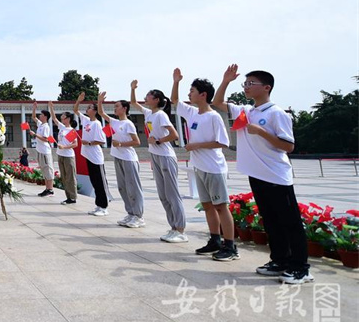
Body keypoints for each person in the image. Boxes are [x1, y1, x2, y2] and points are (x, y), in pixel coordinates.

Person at [213, 65, 311, 284]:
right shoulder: (247, 111)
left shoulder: (277, 113)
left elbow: (288, 146)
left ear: (267, 87)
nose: (246, 87)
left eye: (251, 83)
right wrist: (226, 81)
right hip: (257, 175)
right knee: (271, 221)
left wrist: (262, 132)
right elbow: (218, 103)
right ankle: (279, 261)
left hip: (276, 176)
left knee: (290, 223)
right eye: (245, 83)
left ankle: (301, 268)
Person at [171, 69, 236, 260]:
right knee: (207, 205)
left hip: (214, 167)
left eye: (192, 91)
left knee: (221, 206)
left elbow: (223, 142)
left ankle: (230, 246)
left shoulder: (213, 116)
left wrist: (197, 145)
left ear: (203, 95)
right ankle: (215, 240)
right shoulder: (192, 112)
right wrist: (176, 82)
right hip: (199, 166)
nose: (189, 94)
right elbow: (174, 100)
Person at [130, 81, 186, 243]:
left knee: (172, 194)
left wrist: (158, 141)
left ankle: (181, 229)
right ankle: (173, 227)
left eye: (149, 95)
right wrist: (133, 89)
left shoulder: (161, 115)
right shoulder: (149, 113)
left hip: (166, 156)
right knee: (163, 195)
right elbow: (133, 103)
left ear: (156, 100)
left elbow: (174, 135)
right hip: (155, 156)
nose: (146, 97)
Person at [97, 92, 144, 227]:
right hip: (118, 157)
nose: (115, 108)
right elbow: (101, 113)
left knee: (133, 188)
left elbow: (137, 141)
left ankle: (138, 216)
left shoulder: (128, 124)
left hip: (129, 158)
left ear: (124, 108)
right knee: (122, 187)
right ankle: (130, 214)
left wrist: (121, 144)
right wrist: (99, 101)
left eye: (117, 106)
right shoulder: (115, 122)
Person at [74, 93, 110, 216]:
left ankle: (104, 207)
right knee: (94, 181)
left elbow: (102, 141)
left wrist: (88, 143)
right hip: (88, 155)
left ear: (94, 111)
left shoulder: (97, 124)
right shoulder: (86, 120)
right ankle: (98, 205)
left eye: (89, 108)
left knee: (100, 182)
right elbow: (76, 110)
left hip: (96, 157)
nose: (87, 109)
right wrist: (78, 100)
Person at [49, 101, 79, 204]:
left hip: (68, 156)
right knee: (64, 177)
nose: (61, 118)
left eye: (63, 117)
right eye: (61, 117)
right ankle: (68, 197)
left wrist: (64, 147)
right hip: (60, 155)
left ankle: (73, 197)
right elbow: (54, 118)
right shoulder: (62, 128)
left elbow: (75, 144)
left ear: (68, 119)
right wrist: (51, 108)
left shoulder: (71, 130)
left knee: (70, 177)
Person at [30, 102, 55, 197]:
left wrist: (35, 134)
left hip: (45, 151)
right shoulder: (40, 124)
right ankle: (47, 189)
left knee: (48, 169)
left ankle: (50, 189)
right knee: (44, 170)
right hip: (40, 151)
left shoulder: (46, 127)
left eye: (41, 115)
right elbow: (33, 117)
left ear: (45, 117)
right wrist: (34, 108)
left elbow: (45, 139)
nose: (39, 116)